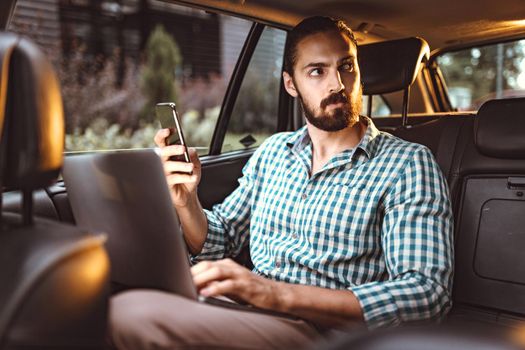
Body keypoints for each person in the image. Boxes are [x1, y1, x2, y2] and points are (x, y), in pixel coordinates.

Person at [110, 16, 454, 350]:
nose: (337, 84)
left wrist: (275, 294)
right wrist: (187, 201)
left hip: (321, 331)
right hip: (245, 309)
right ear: (291, 84)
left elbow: (426, 295)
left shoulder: (407, 163)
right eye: (317, 71)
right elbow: (223, 236)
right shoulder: (275, 151)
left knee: (129, 313)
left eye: (346, 66)